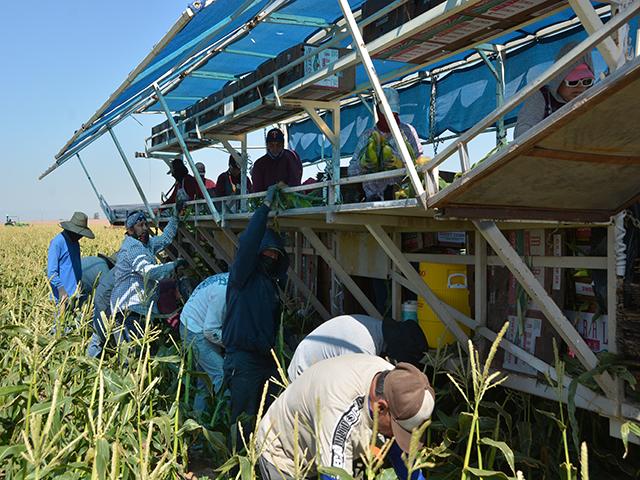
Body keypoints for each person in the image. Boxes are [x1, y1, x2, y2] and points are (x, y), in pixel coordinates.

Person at [257, 354, 434, 480]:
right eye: (397, 430)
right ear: (380, 407)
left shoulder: (396, 382)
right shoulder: (338, 411)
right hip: (284, 455)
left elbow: (401, 457)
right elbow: (334, 475)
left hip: (321, 446)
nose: (396, 437)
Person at [222, 183, 289, 427]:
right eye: (267, 253)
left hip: (265, 359)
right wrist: (264, 209)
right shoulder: (243, 276)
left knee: (268, 416)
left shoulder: (272, 285)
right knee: (242, 419)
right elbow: (249, 244)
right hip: (243, 360)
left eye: (276, 255)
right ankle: (237, 462)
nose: (271, 258)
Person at [110, 202, 186, 343]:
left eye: (146, 224)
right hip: (128, 310)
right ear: (131, 230)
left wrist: (175, 217)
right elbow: (149, 272)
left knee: (141, 353)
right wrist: (173, 265)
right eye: (140, 226)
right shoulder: (132, 248)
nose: (145, 228)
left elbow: (165, 239)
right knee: (131, 355)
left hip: (141, 308)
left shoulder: (146, 244)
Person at [287, 314, 428, 381]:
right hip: (304, 373)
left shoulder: (373, 328)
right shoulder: (362, 347)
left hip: (316, 367)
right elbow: (354, 386)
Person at [348, 87, 422, 201]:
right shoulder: (367, 136)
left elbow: (420, 163)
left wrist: (401, 164)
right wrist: (364, 165)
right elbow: (351, 171)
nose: (390, 118)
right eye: (386, 114)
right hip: (373, 199)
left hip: (402, 197)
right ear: (378, 111)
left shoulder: (408, 132)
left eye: (394, 114)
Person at [514, 42, 595, 138]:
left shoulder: (594, 98)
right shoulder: (542, 96)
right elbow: (522, 132)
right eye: (573, 82)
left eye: (587, 81)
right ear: (559, 80)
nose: (580, 87)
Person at [180, 272, 229, 414]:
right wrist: (233, 344)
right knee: (222, 375)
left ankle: (199, 419)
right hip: (194, 330)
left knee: (205, 378)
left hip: (191, 322)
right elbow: (210, 331)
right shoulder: (223, 293)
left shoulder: (226, 278)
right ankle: (226, 420)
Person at [47, 211, 94, 306]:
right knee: (61, 320)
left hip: (75, 295)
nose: (81, 237)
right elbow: (51, 272)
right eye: (79, 233)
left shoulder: (75, 243)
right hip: (61, 297)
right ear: (72, 230)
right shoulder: (57, 242)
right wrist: (61, 289)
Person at [251, 128, 302, 192]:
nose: (275, 148)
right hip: (267, 200)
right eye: (271, 145)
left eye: (278, 145)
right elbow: (257, 189)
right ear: (267, 145)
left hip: (290, 198)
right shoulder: (259, 164)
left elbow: (296, 181)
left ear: (283, 144)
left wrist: (285, 187)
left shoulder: (292, 156)